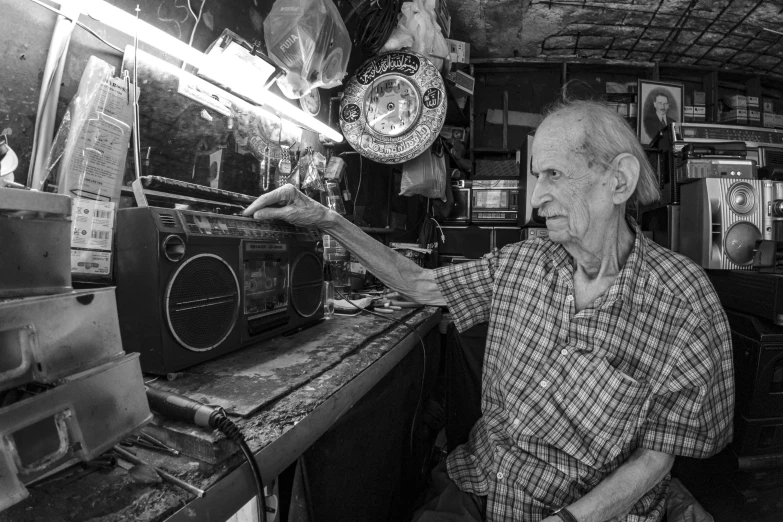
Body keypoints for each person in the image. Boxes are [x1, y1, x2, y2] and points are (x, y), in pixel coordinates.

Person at [243, 99, 734, 522]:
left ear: (619, 180)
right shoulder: (522, 261)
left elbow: (656, 458)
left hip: (583, 511)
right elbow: (420, 283)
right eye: (536, 175)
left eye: (554, 175)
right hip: (481, 483)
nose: (537, 197)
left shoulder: (682, 300)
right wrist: (326, 219)